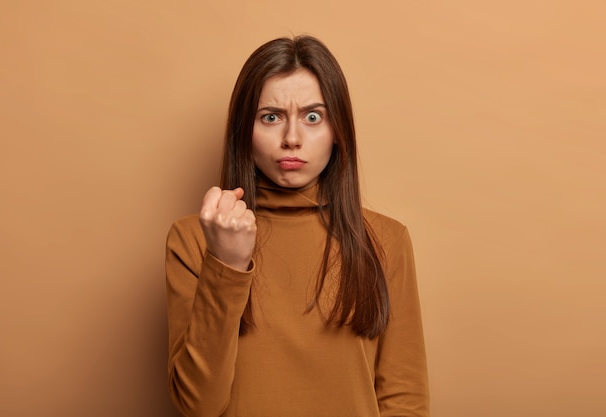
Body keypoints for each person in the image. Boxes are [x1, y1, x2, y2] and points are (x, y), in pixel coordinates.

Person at [165, 35, 429, 417]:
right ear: (245, 131)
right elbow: (198, 405)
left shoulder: (387, 240)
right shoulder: (193, 240)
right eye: (270, 117)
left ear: (338, 131)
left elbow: (405, 400)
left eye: (312, 117)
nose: (291, 139)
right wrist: (227, 264)